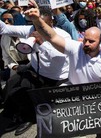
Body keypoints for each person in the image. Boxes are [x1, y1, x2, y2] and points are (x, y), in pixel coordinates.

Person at [0, 8, 71, 136]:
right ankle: (28, 117)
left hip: (57, 77)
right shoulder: (31, 30)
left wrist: (42, 43)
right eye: (36, 25)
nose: (39, 29)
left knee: (53, 109)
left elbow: (58, 58)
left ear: (51, 23)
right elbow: (4, 29)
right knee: (14, 85)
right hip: (37, 72)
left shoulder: (63, 36)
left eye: (42, 25)